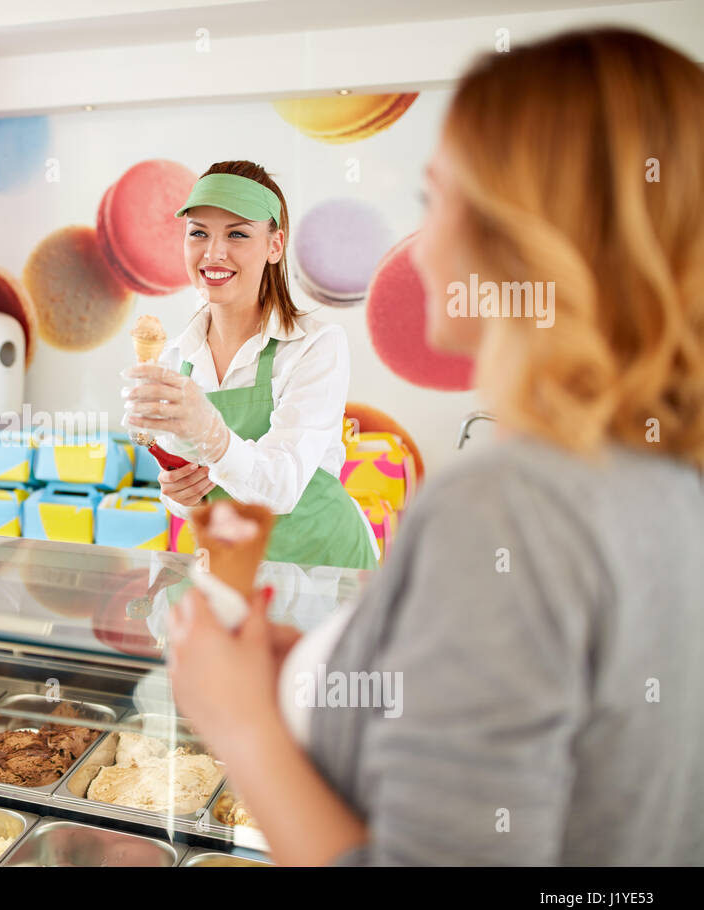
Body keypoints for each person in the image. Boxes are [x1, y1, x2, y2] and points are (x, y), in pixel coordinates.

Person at [167, 27, 704, 866]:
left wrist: (238, 720)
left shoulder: (506, 506)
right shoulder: (666, 476)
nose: (421, 246)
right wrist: (320, 666)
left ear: (522, 234)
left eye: (436, 201)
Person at [124, 162, 378, 570]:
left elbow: (283, 486)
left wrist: (213, 435)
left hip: (324, 570)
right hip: (231, 571)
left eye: (238, 234)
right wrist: (176, 492)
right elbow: (192, 488)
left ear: (274, 246)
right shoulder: (176, 358)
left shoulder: (315, 347)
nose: (213, 252)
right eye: (198, 233)